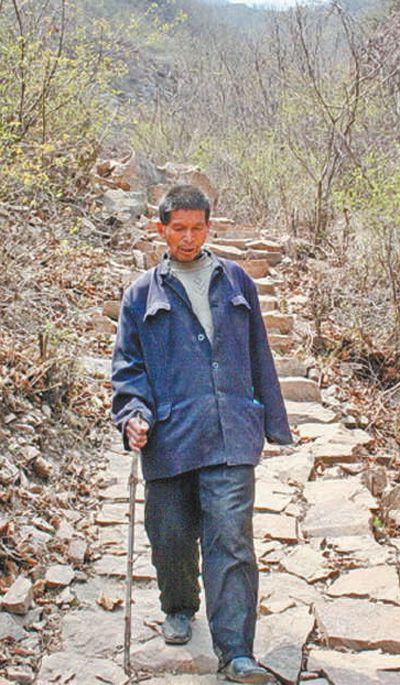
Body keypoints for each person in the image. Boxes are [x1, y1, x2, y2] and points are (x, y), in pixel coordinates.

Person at [112, 185, 293, 684]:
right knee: (170, 535)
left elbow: (259, 352)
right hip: (170, 437)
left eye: (197, 228)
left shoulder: (236, 281)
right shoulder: (141, 295)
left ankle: (236, 652)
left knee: (231, 540)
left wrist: (268, 418)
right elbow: (128, 370)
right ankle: (178, 604)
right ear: (161, 229)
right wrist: (133, 415)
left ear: (209, 228)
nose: (188, 238)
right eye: (179, 229)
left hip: (230, 432)